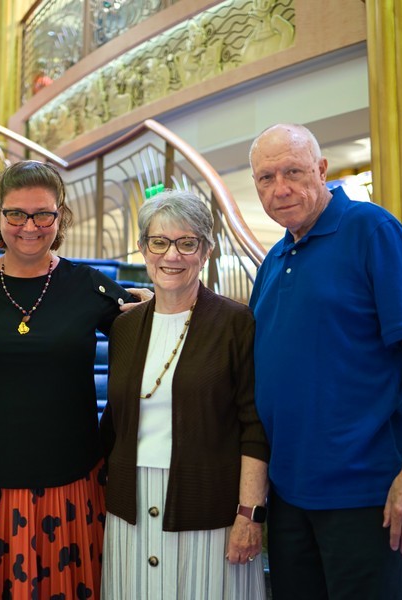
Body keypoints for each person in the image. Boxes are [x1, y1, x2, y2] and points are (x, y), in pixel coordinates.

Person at [0, 161, 143, 599]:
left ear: (60, 217)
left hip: (68, 479)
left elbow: (148, 340)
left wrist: (160, 300)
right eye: (16, 214)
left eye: (43, 214)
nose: (29, 227)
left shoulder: (89, 287)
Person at [247, 123, 402, 599]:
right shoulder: (274, 259)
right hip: (290, 497)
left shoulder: (372, 229)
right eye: (266, 178)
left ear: (321, 170)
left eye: (293, 172)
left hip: (368, 496)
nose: (281, 189)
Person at [100, 190, 270, 599]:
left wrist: (250, 514)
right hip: (130, 507)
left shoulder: (235, 322)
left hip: (209, 505)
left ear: (206, 250)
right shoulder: (125, 328)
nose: (171, 256)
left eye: (186, 242)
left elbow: (254, 426)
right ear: (143, 248)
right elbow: (114, 423)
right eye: (159, 242)